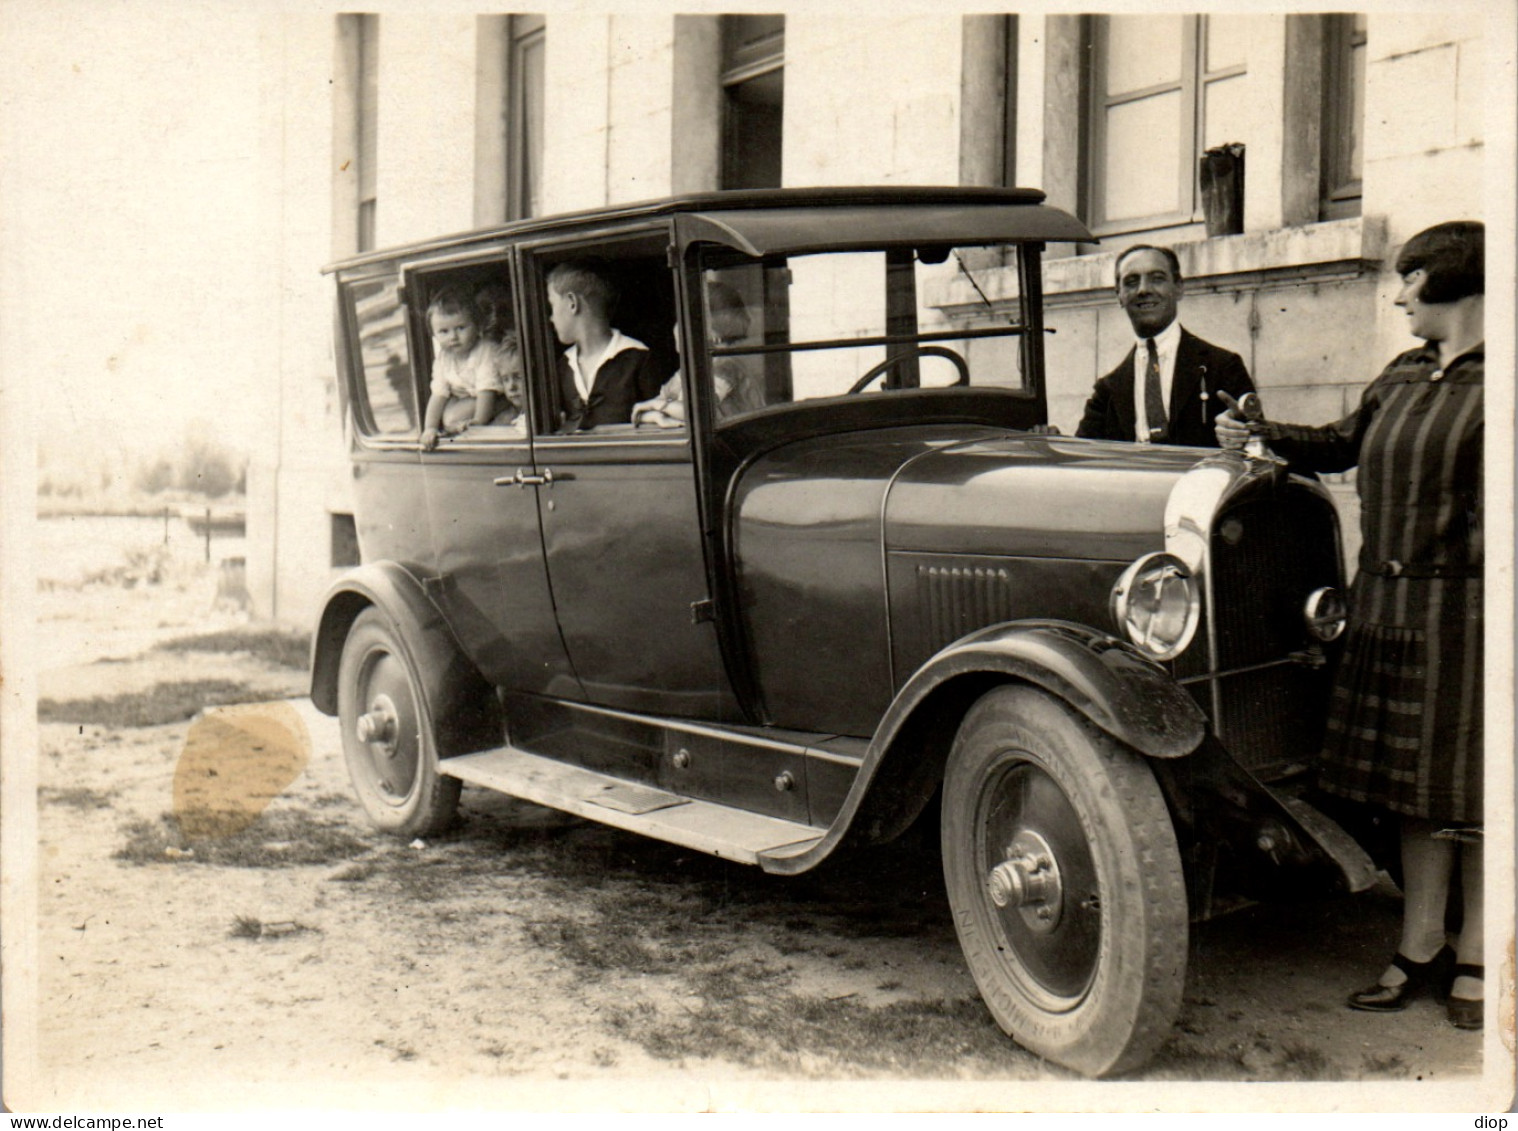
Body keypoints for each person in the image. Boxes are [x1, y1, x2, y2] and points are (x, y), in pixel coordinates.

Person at [1215, 220, 1485, 1031]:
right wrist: (1259, 433)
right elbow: (1338, 444)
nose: (1399, 293)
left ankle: (1481, 954)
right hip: (1387, 608)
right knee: (1412, 796)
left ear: (1452, 282)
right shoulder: (1402, 376)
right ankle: (1418, 948)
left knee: (1472, 796)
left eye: (1411, 279)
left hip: (1467, 614)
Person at [1077, 245, 1254, 446]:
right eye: (1131, 282)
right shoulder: (1107, 390)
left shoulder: (1222, 366)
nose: (1143, 290)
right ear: (1119, 295)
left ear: (1178, 287)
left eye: (1157, 278)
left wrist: (1241, 432)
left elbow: (1260, 443)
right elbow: (1082, 456)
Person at [546, 259, 663, 430]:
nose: (551, 318)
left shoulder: (638, 358)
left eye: (552, 306)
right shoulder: (562, 366)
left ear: (572, 303)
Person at [632, 283, 763, 428]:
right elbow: (642, 411)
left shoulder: (726, 365)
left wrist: (658, 406)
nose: (677, 326)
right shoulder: (688, 371)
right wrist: (657, 414)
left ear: (711, 330)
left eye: (687, 320)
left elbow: (696, 412)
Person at [420, 287, 505, 450]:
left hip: (493, 398)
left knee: (453, 418)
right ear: (434, 335)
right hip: (467, 399)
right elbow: (438, 394)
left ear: (477, 326)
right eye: (444, 331)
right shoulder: (443, 358)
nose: (453, 337)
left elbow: (486, 391)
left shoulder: (485, 351)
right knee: (449, 418)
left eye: (461, 328)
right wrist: (429, 428)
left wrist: (478, 423)